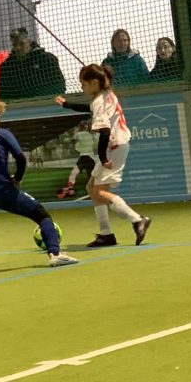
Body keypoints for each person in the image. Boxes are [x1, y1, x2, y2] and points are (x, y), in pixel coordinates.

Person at [0, 96, 78, 269]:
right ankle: (55, 254)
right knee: (42, 215)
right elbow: (20, 157)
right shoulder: (2, 133)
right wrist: (17, 179)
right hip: (4, 190)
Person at [56, 64, 152, 247]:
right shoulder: (107, 94)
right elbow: (90, 108)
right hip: (116, 146)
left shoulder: (99, 100)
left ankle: (137, 220)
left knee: (100, 192)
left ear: (94, 83)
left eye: (83, 85)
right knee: (91, 187)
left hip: (114, 148)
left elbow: (105, 131)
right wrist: (67, 104)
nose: (82, 88)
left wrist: (103, 158)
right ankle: (106, 234)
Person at [0, 27, 66, 100]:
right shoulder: (6, 67)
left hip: (46, 102)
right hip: (19, 105)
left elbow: (59, 85)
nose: (18, 48)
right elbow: (2, 94)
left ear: (29, 42)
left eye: (21, 44)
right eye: (15, 45)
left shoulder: (47, 59)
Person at [56, 121, 96, 199]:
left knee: (74, 174)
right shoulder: (90, 135)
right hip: (91, 157)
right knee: (91, 176)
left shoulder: (79, 134)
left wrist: (75, 132)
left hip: (84, 156)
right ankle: (93, 192)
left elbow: (72, 140)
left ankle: (70, 190)